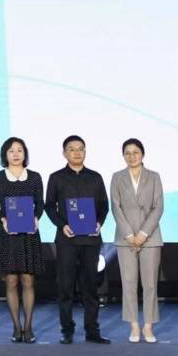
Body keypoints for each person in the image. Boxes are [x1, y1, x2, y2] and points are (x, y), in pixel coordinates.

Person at [44, 135, 111, 345]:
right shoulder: (56, 177)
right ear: (64, 153)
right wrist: (62, 225)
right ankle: (67, 330)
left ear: (85, 151)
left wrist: (99, 222)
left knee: (91, 286)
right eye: (72, 149)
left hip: (91, 240)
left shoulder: (95, 177)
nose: (77, 152)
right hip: (67, 240)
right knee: (65, 287)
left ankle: (92, 330)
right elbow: (49, 206)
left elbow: (104, 205)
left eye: (80, 148)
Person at [0, 137, 45, 344]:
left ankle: (28, 327)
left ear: (25, 153)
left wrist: (36, 218)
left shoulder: (34, 177)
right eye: (11, 151)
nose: (16, 154)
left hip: (28, 234)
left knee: (28, 280)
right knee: (11, 281)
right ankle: (16, 327)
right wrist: (2, 219)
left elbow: (40, 203)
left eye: (20, 150)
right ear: (5, 154)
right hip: (8, 234)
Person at [111, 137, 164, 344]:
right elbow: (116, 207)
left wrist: (143, 233)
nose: (132, 156)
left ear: (142, 154)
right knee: (129, 283)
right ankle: (133, 324)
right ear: (123, 156)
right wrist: (129, 235)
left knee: (150, 285)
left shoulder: (154, 176)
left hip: (150, 238)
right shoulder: (117, 177)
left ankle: (148, 325)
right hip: (125, 238)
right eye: (128, 153)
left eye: (136, 152)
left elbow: (158, 207)